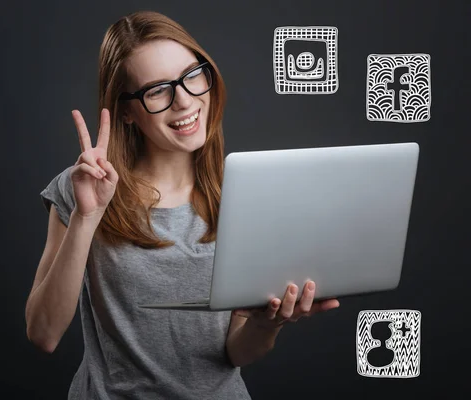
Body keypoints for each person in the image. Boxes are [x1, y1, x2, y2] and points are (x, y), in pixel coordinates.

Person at [25, 10, 340, 400]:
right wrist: (86, 218)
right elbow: (43, 334)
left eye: (193, 75)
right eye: (157, 90)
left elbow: (235, 352)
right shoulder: (82, 189)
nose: (185, 100)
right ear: (126, 111)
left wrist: (267, 323)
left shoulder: (244, 196)